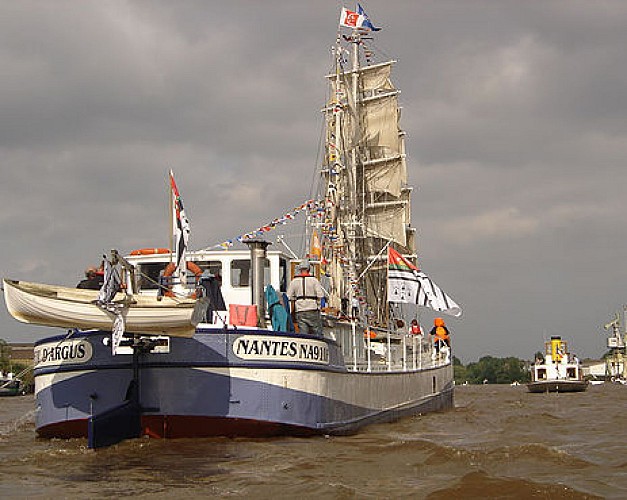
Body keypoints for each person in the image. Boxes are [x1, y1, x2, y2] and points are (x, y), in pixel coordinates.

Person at [287, 260, 325, 337]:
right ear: (309, 269)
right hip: (312, 310)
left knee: (303, 334)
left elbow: (288, 296)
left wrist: (295, 298)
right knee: (317, 333)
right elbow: (320, 295)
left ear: (300, 269)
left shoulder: (294, 281)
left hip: (300, 310)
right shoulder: (314, 280)